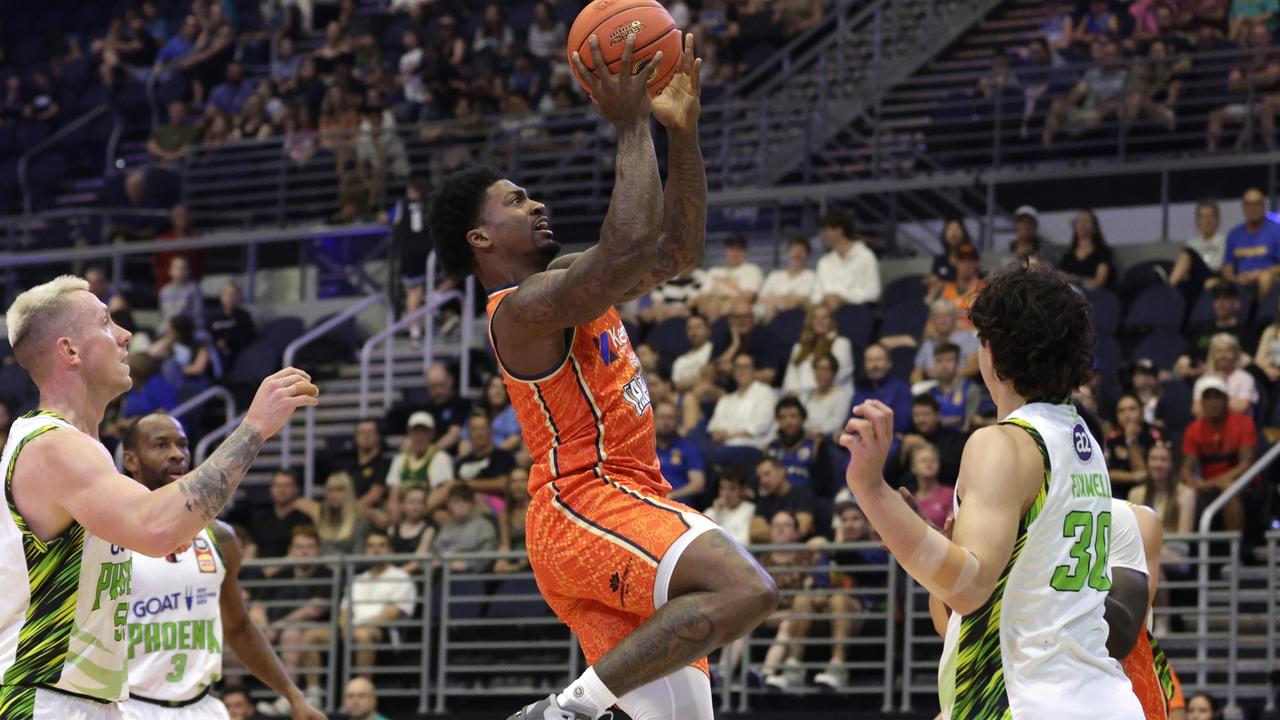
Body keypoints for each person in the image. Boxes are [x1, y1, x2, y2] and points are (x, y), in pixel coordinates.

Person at [427, 33, 777, 720]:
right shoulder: (520, 313)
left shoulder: (565, 282)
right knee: (748, 589)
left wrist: (682, 134)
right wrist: (628, 124)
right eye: (516, 200)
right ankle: (565, 710)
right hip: (585, 502)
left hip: (624, 499)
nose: (536, 205)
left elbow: (674, 249)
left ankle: (577, 707)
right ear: (481, 240)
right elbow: (624, 249)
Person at [0, 275, 316, 717]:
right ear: (69, 350)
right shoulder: (51, 444)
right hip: (45, 697)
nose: (126, 334)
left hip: (87, 699)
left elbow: (161, 525)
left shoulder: (76, 450)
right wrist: (254, 426)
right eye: (107, 322)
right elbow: (155, 528)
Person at [841, 265, 1143, 719]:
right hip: (1100, 696)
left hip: (1025, 700)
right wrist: (919, 532)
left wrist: (869, 487)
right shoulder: (1082, 438)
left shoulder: (1001, 443)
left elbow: (969, 588)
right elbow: (981, 608)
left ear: (993, 350)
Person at [119, 413, 325, 720]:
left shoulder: (220, 537)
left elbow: (239, 627)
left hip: (203, 708)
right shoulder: (111, 534)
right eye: (161, 445)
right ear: (131, 460)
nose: (177, 454)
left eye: (183, 444)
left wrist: (293, 695)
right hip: (127, 706)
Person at [299, 531, 415, 698]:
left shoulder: (401, 577)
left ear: (390, 550)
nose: (376, 551)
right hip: (351, 630)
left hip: (384, 633)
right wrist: (346, 626)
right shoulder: (358, 579)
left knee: (362, 635)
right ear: (366, 551)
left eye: (381, 546)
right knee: (311, 636)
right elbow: (344, 611)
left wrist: (359, 626)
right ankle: (314, 694)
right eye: (372, 546)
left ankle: (362, 692)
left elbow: (393, 613)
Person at [1181, 377, 1257, 533]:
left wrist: (1213, 482)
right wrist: (1192, 482)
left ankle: (1234, 549)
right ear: (1201, 403)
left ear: (1226, 399)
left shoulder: (1244, 422)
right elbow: (1187, 467)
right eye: (1207, 398)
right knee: (1183, 492)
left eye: (1218, 397)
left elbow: (1246, 464)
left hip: (1242, 483)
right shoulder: (1193, 429)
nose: (1213, 402)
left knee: (1229, 488)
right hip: (1208, 485)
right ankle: (1182, 548)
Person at [1176, 284, 1256, 381]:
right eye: (1217, 298)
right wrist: (1186, 367)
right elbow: (1185, 357)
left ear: (1236, 304)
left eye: (1226, 298)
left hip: (1227, 380)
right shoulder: (1202, 329)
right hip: (1196, 379)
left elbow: (1246, 360)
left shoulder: (1244, 332)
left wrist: (1210, 370)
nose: (1220, 303)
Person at [810, 208, 881, 307]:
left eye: (826, 230)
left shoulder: (866, 256)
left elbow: (873, 293)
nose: (824, 234)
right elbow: (815, 296)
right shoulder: (824, 262)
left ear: (839, 230)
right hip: (827, 315)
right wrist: (826, 298)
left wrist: (843, 298)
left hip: (854, 313)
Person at [765, 397, 836, 496]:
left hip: (806, 500)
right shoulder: (770, 447)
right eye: (783, 417)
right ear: (778, 421)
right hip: (775, 499)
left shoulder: (816, 445)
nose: (788, 422)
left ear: (802, 418)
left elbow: (823, 483)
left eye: (793, 416)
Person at [782, 304, 854, 397]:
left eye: (825, 317)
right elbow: (790, 378)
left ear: (831, 322)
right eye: (815, 317)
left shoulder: (841, 343)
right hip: (800, 397)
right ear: (810, 322)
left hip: (831, 396)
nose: (820, 321)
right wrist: (795, 394)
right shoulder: (799, 347)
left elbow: (839, 375)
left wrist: (815, 394)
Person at [250, 469, 319, 560]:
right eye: (277, 486)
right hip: (260, 571)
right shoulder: (261, 519)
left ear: (296, 490)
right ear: (271, 489)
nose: (281, 490)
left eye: (287, 486)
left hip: (290, 570)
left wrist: (276, 570)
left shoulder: (303, 519)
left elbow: (304, 550)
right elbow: (252, 548)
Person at [1222, 187, 1280, 295]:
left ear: (1263, 206)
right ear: (1243, 208)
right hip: (1241, 283)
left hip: (1270, 282)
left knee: (1265, 278)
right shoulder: (1234, 234)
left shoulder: (1276, 231)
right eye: (1248, 204)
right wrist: (1236, 279)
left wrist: (1263, 273)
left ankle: (1264, 311)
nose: (1252, 208)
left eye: (1257, 204)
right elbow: (1227, 268)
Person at [1105, 394, 1167, 494]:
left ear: (1141, 412)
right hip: (1117, 493)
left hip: (1148, 491)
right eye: (1121, 411)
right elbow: (1106, 474)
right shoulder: (1111, 439)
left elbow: (1147, 476)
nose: (1127, 414)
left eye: (1132, 409)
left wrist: (1131, 440)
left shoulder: (1154, 435)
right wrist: (1135, 477)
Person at [385, 411, 454, 500]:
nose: (420, 437)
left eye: (424, 432)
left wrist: (420, 510)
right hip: (404, 508)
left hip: (427, 508)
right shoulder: (400, 459)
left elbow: (441, 491)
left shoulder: (440, 457)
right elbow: (393, 492)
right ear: (409, 433)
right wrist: (394, 506)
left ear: (432, 434)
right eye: (416, 432)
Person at [431, 484, 499, 571]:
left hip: (471, 576)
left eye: (465, 501)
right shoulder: (446, 528)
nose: (461, 505)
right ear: (448, 505)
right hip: (444, 574)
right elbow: (436, 553)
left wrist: (467, 565)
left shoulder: (484, 526)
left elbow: (487, 557)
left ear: (471, 504)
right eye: (456, 502)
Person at [910, 300, 981, 384]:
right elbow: (916, 373)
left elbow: (975, 366)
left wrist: (946, 375)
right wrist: (920, 388)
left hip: (962, 387)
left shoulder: (967, 339)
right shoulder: (928, 345)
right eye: (938, 316)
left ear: (954, 319)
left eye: (947, 316)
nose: (942, 320)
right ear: (932, 321)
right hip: (934, 389)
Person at [695, 234, 763, 321]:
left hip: (735, 313)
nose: (735, 253)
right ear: (726, 250)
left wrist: (724, 303)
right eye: (731, 249)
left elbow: (747, 298)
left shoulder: (752, 270)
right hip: (712, 311)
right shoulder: (714, 271)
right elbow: (702, 297)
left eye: (739, 249)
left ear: (745, 252)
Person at [750, 457, 818, 541]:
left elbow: (802, 528)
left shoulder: (802, 495)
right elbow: (754, 533)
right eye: (759, 477)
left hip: (799, 550)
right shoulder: (763, 501)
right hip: (773, 552)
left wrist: (772, 530)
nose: (763, 480)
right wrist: (786, 530)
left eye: (767, 474)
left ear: (782, 472)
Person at [1191, 333, 1258, 417]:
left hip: (1237, 427)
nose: (1223, 355)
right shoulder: (1203, 381)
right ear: (1212, 355)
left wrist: (1220, 387)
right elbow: (1197, 411)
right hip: (1209, 428)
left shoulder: (1246, 378)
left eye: (1228, 351)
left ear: (1235, 354)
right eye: (1219, 351)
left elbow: (1241, 408)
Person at [852, 344, 913, 434]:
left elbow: (901, 424)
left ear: (889, 363)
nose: (874, 365)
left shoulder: (901, 388)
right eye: (869, 360)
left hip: (891, 442)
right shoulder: (860, 391)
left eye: (879, 359)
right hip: (861, 441)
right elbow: (850, 421)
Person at [654, 400, 707, 503]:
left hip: (678, 503)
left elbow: (698, 484)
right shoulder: (647, 448)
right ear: (653, 419)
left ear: (677, 420)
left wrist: (672, 495)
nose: (666, 422)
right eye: (661, 417)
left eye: (670, 417)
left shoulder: (688, 448)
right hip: (649, 502)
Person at [1168, 200, 1227, 290]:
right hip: (1196, 279)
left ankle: (1167, 288)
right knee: (1187, 253)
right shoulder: (1192, 243)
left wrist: (1220, 280)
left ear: (1217, 219)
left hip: (1215, 275)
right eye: (1202, 217)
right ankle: (1167, 288)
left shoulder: (1225, 240)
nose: (1207, 221)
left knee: (1188, 253)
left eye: (1210, 216)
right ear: (1197, 221)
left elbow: (1226, 268)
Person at [341, 418, 391, 520]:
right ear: (355, 437)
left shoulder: (384, 464)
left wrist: (349, 510)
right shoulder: (351, 468)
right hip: (351, 513)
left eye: (370, 432)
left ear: (378, 437)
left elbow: (375, 495)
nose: (366, 436)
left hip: (371, 514)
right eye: (362, 432)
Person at [757, 235, 815, 319]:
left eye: (801, 250)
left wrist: (774, 298)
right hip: (771, 316)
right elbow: (761, 300)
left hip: (797, 318)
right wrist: (786, 299)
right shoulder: (774, 276)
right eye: (794, 249)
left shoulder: (811, 277)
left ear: (807, 255)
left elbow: (804, 302)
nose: (797, 254)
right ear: (788, 252)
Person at [314, 471, 369, 555]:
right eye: (330, 490)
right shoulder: (320, 521)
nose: (333, 495)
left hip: (347, 567)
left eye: (339, 490)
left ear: (349, 493)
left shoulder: (359, 523)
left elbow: (358, 558)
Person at [1057, 209, 1114, 290]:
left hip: (1093, 295)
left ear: (1095, 228)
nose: (1082, 224)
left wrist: (1075, 278)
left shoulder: (1103, 253)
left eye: (1086, 221)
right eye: (1079, 221)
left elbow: (1099, 282)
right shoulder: (1067, 256)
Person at [801, 354, 854, 437]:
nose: (819, 373)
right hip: (803, 436)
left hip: (826, 440)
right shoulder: (806, 395)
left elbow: (836, 423)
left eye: (824, 369)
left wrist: (816, 431)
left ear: (833, 372)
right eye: (817, 369)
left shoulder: (841, 397)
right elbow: (799, 418)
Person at [207, 281, 256, 369]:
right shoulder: (212, 316)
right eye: (227, 294)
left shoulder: (244, 316)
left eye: (234, 294)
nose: (230, 297)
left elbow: (248, 337)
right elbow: (206, 335)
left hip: (237, 355)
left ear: (239, 297)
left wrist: (228, 341)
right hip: (214, 354)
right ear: (221, 296)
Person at [703, 470, 755, 546]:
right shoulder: (711, 511)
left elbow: (744, 541)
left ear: (742, 490)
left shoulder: (749, 509)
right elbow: (702, 539)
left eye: (732, 488)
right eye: (722, 488)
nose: (726, 493)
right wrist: (716, 512)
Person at [158, 256, 204, 329]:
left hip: (189, 329)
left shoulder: (194, 289)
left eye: (183, 268)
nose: (180, 271)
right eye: (176, 268)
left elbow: (198, 316)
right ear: (170, 271)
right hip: (168, 330)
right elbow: (163, 316)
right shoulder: (164, 291)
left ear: (189, 270)